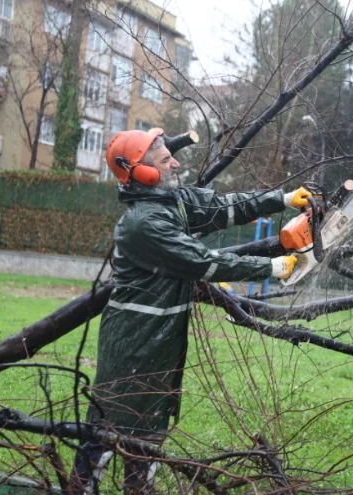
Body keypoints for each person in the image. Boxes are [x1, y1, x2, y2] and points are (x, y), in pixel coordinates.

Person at [69, 128, 310, 494]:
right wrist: (272, 268)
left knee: (147, 437)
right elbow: (202, 262)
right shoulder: (143, 223)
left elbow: (224, 207)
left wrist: (284, 199)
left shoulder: (172, 202)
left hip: (161, 342)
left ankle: (138, 490)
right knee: (108, 433)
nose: (176, 162)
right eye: (166, 160)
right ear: (144, 173)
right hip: (133, 341)